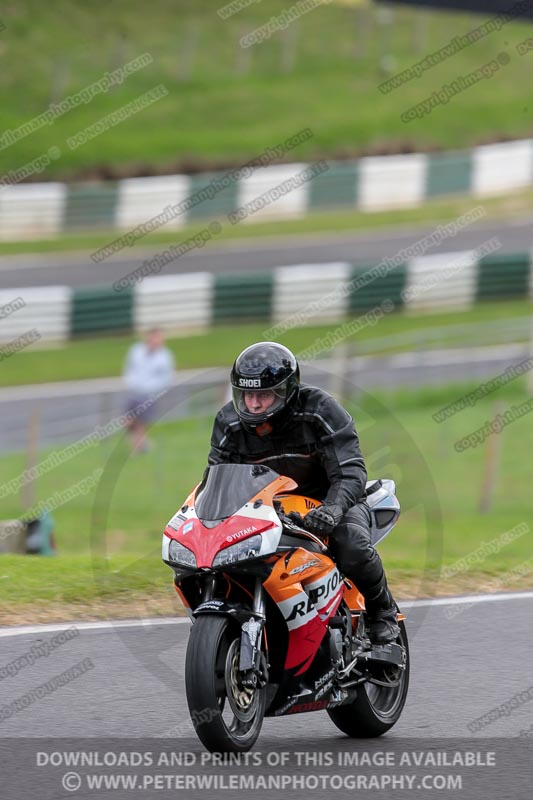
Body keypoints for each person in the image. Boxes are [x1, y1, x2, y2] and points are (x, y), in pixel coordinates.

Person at [208, 341, 399, 644]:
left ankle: (382, 610)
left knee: (351, 545)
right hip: (268, 511)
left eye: (264, 395)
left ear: (287, 391)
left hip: (332, 502)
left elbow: (350, 472)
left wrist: (333, 511)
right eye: (247, 395)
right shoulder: (229, 424)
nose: (254, 405)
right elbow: (216, 481)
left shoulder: (321, 411)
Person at [122, 328, 175, 453]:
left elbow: (166, 378)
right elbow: (129, 367)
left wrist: (153, 389)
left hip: (150, 394)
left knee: (140, 422)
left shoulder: (165, 356)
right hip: (134, 391)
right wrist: (130, 382)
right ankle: (145, 443)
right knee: (127, 421)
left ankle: (136, 448)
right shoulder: (136, 350)